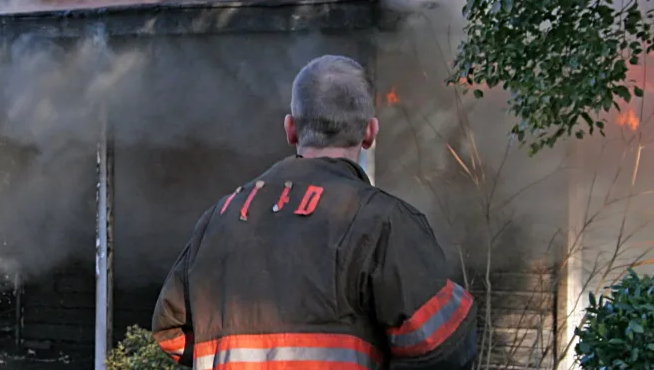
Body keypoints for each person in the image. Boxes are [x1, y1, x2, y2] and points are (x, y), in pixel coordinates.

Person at [151, 55, 477, 369]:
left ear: (291, 129)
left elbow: (171, 330)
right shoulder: (382, 223)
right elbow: (444, 342)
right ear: (369, 133)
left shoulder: (218, 220)